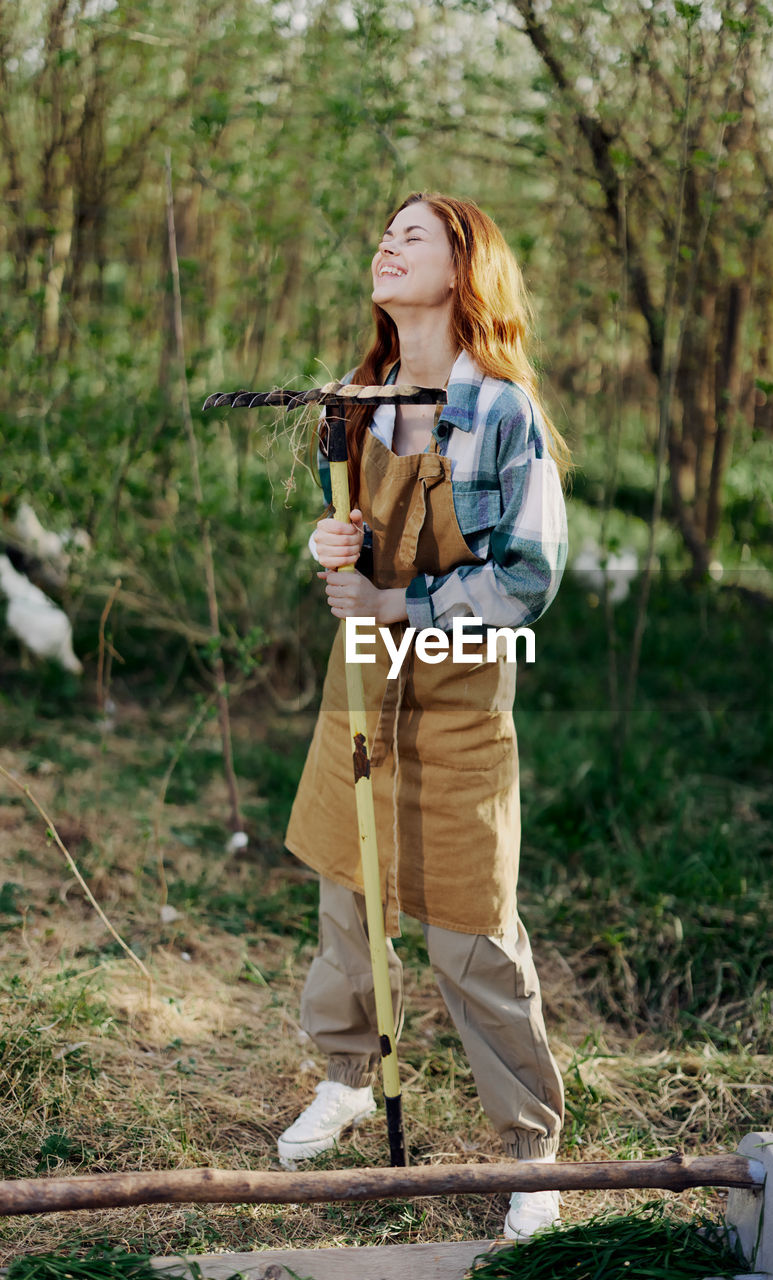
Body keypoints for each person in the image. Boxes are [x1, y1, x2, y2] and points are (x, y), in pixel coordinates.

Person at [279, 192, 571, 1241]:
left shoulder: (499, 410)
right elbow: (342, 521)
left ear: (462, 267)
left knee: (470, 937)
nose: (384, 243)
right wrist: (331, 548)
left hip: (454, 704)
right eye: (381, 231)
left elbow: (530, 576)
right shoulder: (356, 392)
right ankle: (348, 1075)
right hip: (357, 687)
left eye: (413, 233)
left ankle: (530, 1151)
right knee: (347, 903)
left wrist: (403, 602)